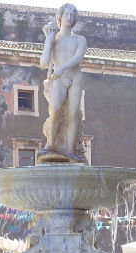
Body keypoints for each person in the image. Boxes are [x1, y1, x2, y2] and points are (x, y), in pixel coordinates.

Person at [38, 3, 87, 162]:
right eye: (67, 14)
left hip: (75, 77)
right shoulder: (53, 38)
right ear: (60, 16)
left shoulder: (80, 39)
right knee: (55, 110)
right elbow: (43, 63)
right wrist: (48, 40)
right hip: (58, 79)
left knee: (73, 114)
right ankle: (51, 145)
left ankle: (70, 151)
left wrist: (62, 68)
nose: (70, 17)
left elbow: (78, 58)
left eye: (73, 15)